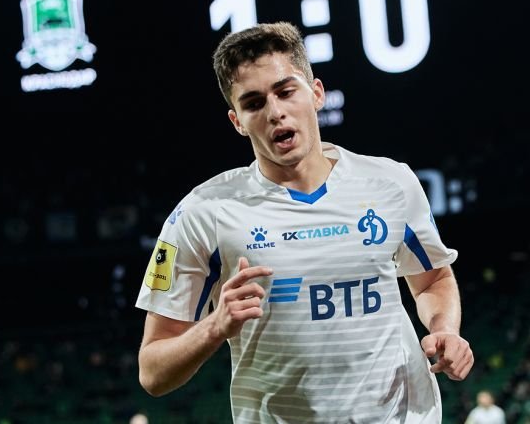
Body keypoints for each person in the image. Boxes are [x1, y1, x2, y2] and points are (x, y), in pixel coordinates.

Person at [135, 21, 474, 423]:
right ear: (237, 121)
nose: (275, 112)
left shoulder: (391, 182)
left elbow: (433, 279)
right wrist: (215, 326)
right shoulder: (202, 213)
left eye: (286, 91)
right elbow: (153, 373)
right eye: (254, 103)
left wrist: (445, 329)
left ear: (316, 93)